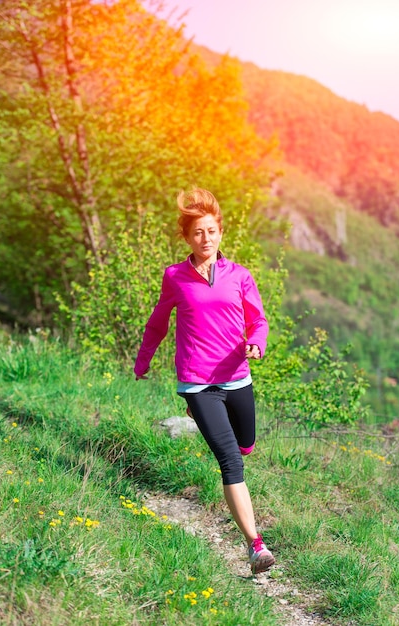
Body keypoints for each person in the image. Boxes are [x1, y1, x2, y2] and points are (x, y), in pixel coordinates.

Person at [134, 187, 275, 574]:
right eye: (198, 233)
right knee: (231, 461)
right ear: (187, 238)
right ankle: (255, 546)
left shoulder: (240, 276)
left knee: (246, 444)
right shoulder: (175, 277)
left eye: (211, 231)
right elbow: (158, 322)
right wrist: (143, 361)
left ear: (220, 233)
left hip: (236, 377)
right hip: (196, 379)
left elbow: (258, 321)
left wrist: (256, 345)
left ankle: (215, 422)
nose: (206, 238)